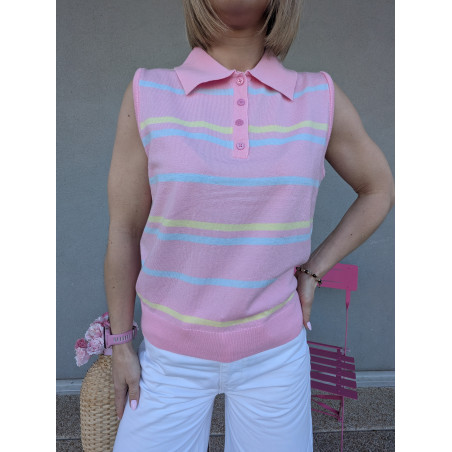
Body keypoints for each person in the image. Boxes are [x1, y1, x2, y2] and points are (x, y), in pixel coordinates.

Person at [105, 1, 395, 451]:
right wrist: (121, 344)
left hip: (275, 360)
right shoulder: (149, 92)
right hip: (168, 361)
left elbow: (378, 189)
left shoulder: (317, 97)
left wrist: (313, 270)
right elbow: (124, 230)